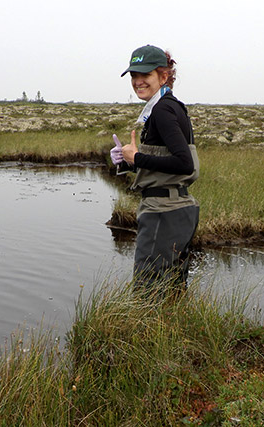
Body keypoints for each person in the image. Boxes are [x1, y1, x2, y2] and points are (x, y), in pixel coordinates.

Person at [110, 45, 200, 290]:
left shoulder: (161, 111)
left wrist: (137, 158)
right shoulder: (171, 106)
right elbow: (168, 164)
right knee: (172, 289)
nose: (138, 82)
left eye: (145, 75)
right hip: (178, 211)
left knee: (147, 293)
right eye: (133, 76)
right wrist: (127, 161)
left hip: (163, 213)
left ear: (163, 76)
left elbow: (184, 163)